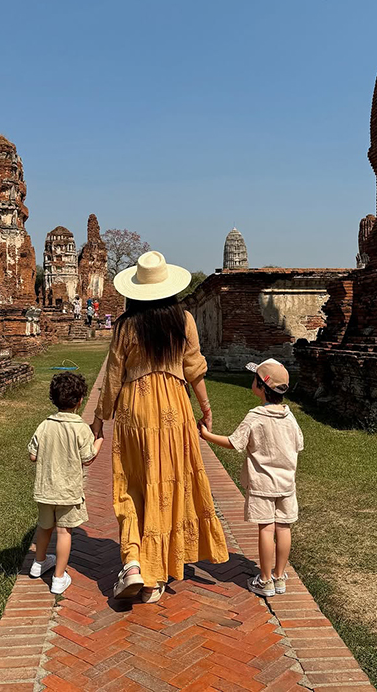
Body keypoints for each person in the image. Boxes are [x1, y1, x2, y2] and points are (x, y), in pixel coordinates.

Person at [91, 250, 229, 603]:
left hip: (135, 406)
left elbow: (113, 376)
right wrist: (206, 408)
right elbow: (194, 368)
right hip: (174, 406)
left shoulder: (125, 325)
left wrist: (98, 420)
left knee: (133, 484)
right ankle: (160, 570)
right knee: (169, 483)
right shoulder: (183, 320)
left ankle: (136, 563)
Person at [200, 358, 303, 598]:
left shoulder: (256, 416)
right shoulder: (290, 417)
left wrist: (207, 435)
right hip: (287, 483)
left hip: (262, 484)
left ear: (261, 386)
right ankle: (279, 576)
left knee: (266, 529)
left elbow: (234, 442)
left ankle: (265, 580)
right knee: (284, 527)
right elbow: (298, 444)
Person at [28, 372, 103, 594]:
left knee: (44, 528)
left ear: (53, 398)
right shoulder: (80, 428)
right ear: (80, 400)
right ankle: (59, 577)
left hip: (45, 490)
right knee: (64, 532)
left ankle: (38, 563)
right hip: (68, 492)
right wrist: (98, 440)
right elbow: (88, 458)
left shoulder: (44, 425)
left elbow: (33, 455)